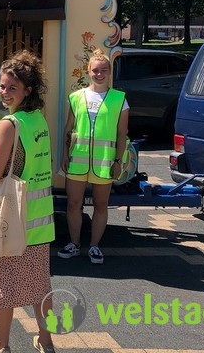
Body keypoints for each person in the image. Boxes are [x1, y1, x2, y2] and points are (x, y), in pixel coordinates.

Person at [0, 50, 56, 353]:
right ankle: (46, 341)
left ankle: (4, 344)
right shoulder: (38, 120)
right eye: (1, 86)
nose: (4, 92)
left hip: (11, 220)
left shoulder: (9, 125)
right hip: (40, 221)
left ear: (28, 90)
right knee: (41, 287)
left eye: (12, 87)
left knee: (4, 288)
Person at [58, 49, 129, 265]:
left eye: (104, 70)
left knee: (100, 204)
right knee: (73, 204)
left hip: (104, 162)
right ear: (88, 71)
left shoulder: (120, 99)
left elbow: (121, 134)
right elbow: (68, 130)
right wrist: (64, 154)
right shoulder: (76, 97)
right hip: (77, 160)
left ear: (109, 72)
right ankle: (74, 243)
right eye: (95, 70)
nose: (99, 74)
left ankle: (95, 246)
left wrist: (118, 162)